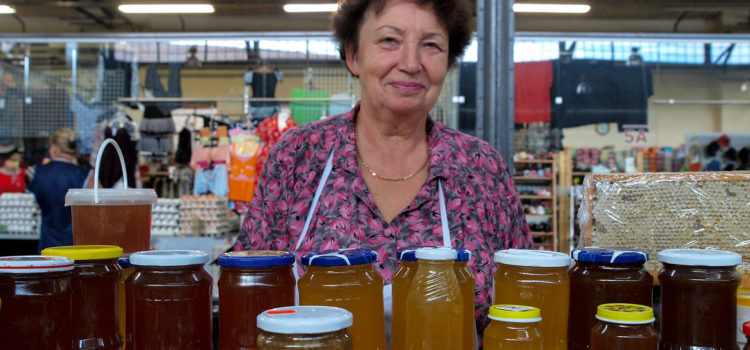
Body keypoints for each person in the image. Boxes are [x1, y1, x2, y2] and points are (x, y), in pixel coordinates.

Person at [234, 0, 532, 336]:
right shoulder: (298, 156)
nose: (410, 63)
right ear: (353, 56)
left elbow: (522, 303)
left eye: (431, 45)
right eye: (390, 40)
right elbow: (251, 287)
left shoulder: (481, 167)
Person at [28, 128, 91, 252]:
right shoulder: (86, 175)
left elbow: (29, 204)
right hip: (76, 245)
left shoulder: (36, 172)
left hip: (47, 243)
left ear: (54, 148)